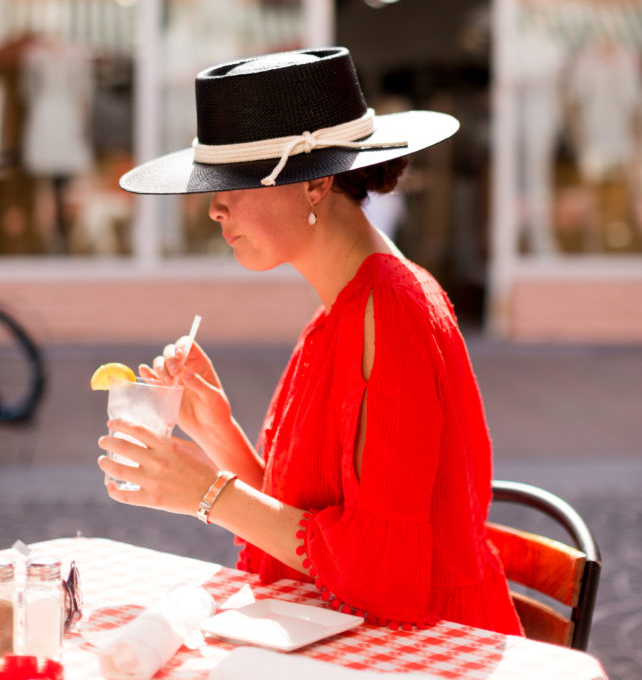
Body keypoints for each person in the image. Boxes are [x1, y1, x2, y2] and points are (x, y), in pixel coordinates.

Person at [98, 46, 522, 635]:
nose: (216, 209)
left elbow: (378, 572)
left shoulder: (391, 309)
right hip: (352, 635)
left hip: (431, 647)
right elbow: (306, 529)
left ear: (316, 183)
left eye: (237, 183)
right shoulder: (343, 309)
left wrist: (205, 492)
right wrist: (215, 426)